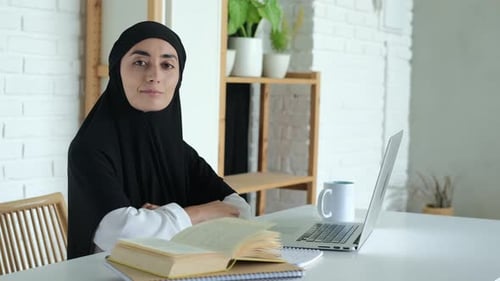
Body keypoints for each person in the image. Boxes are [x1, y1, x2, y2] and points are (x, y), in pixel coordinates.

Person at [67, 21, 251, 259]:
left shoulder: (177, 150)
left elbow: (240, 210)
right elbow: (125, 235)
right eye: (140, 62)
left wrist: (160, 219)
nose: (155, 76)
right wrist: (201, 213)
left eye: (167, 65)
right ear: (117, 71)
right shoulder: (88, 150)